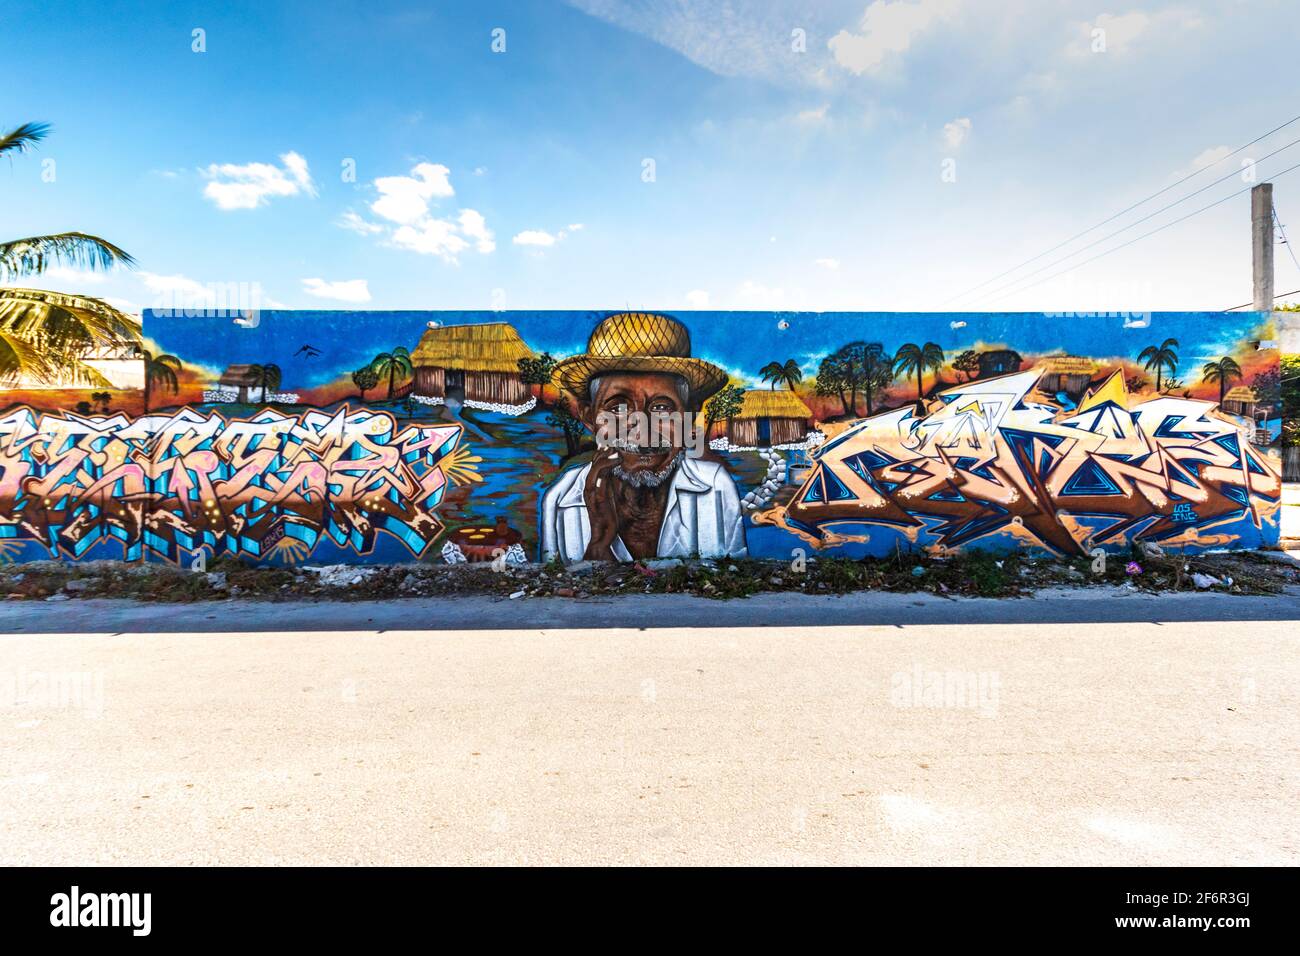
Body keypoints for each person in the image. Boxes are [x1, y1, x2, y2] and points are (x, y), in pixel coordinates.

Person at [540, 313, 747, 562]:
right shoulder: (562, 498)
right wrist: (598, 544)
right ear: (589, 416)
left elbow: (731, 575)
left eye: (661, 408)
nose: (641, 429)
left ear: (689, 414)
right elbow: (567, 593)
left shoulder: (715, 486)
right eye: (618, 408)